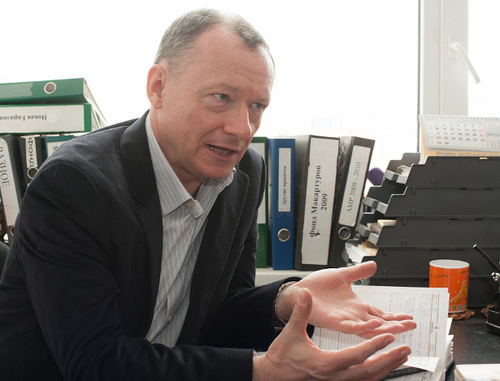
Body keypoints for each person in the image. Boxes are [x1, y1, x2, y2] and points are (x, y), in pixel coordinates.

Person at [0, 8, 416, 380]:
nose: (242, 129)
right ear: (159, 87)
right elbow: (94, 362)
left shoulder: (246, 171)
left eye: (257, 105)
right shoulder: (74, 186)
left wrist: (289, 299)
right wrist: (263, 371)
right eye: (221, 98)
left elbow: (220, 314)